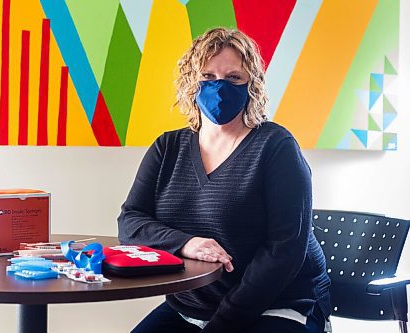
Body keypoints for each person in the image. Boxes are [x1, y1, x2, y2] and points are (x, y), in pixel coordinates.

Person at [117, 27, 331, 333]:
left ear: (251, 85)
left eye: (233, 78)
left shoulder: (276, 147)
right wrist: (186, 243)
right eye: (207, 77)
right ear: (192, 83)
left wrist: (223, 324)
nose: (219, 88)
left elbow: (284, 251)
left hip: (277, 304)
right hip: (190, 307)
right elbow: (130, 222)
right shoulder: (168, 148)